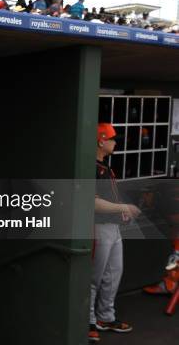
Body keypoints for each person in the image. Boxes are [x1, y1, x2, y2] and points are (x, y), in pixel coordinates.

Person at [89, 123, 141, 343]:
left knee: (113, 274)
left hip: (113, 227)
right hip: (98, 227)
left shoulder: (107, 168)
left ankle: (105, 317)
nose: (115, 142)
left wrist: (123, 213)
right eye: (111, 138)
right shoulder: (91, 167)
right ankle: (88, 321)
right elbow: (93, 203)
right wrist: (123, 208)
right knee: (94, 278)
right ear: (100, 141)